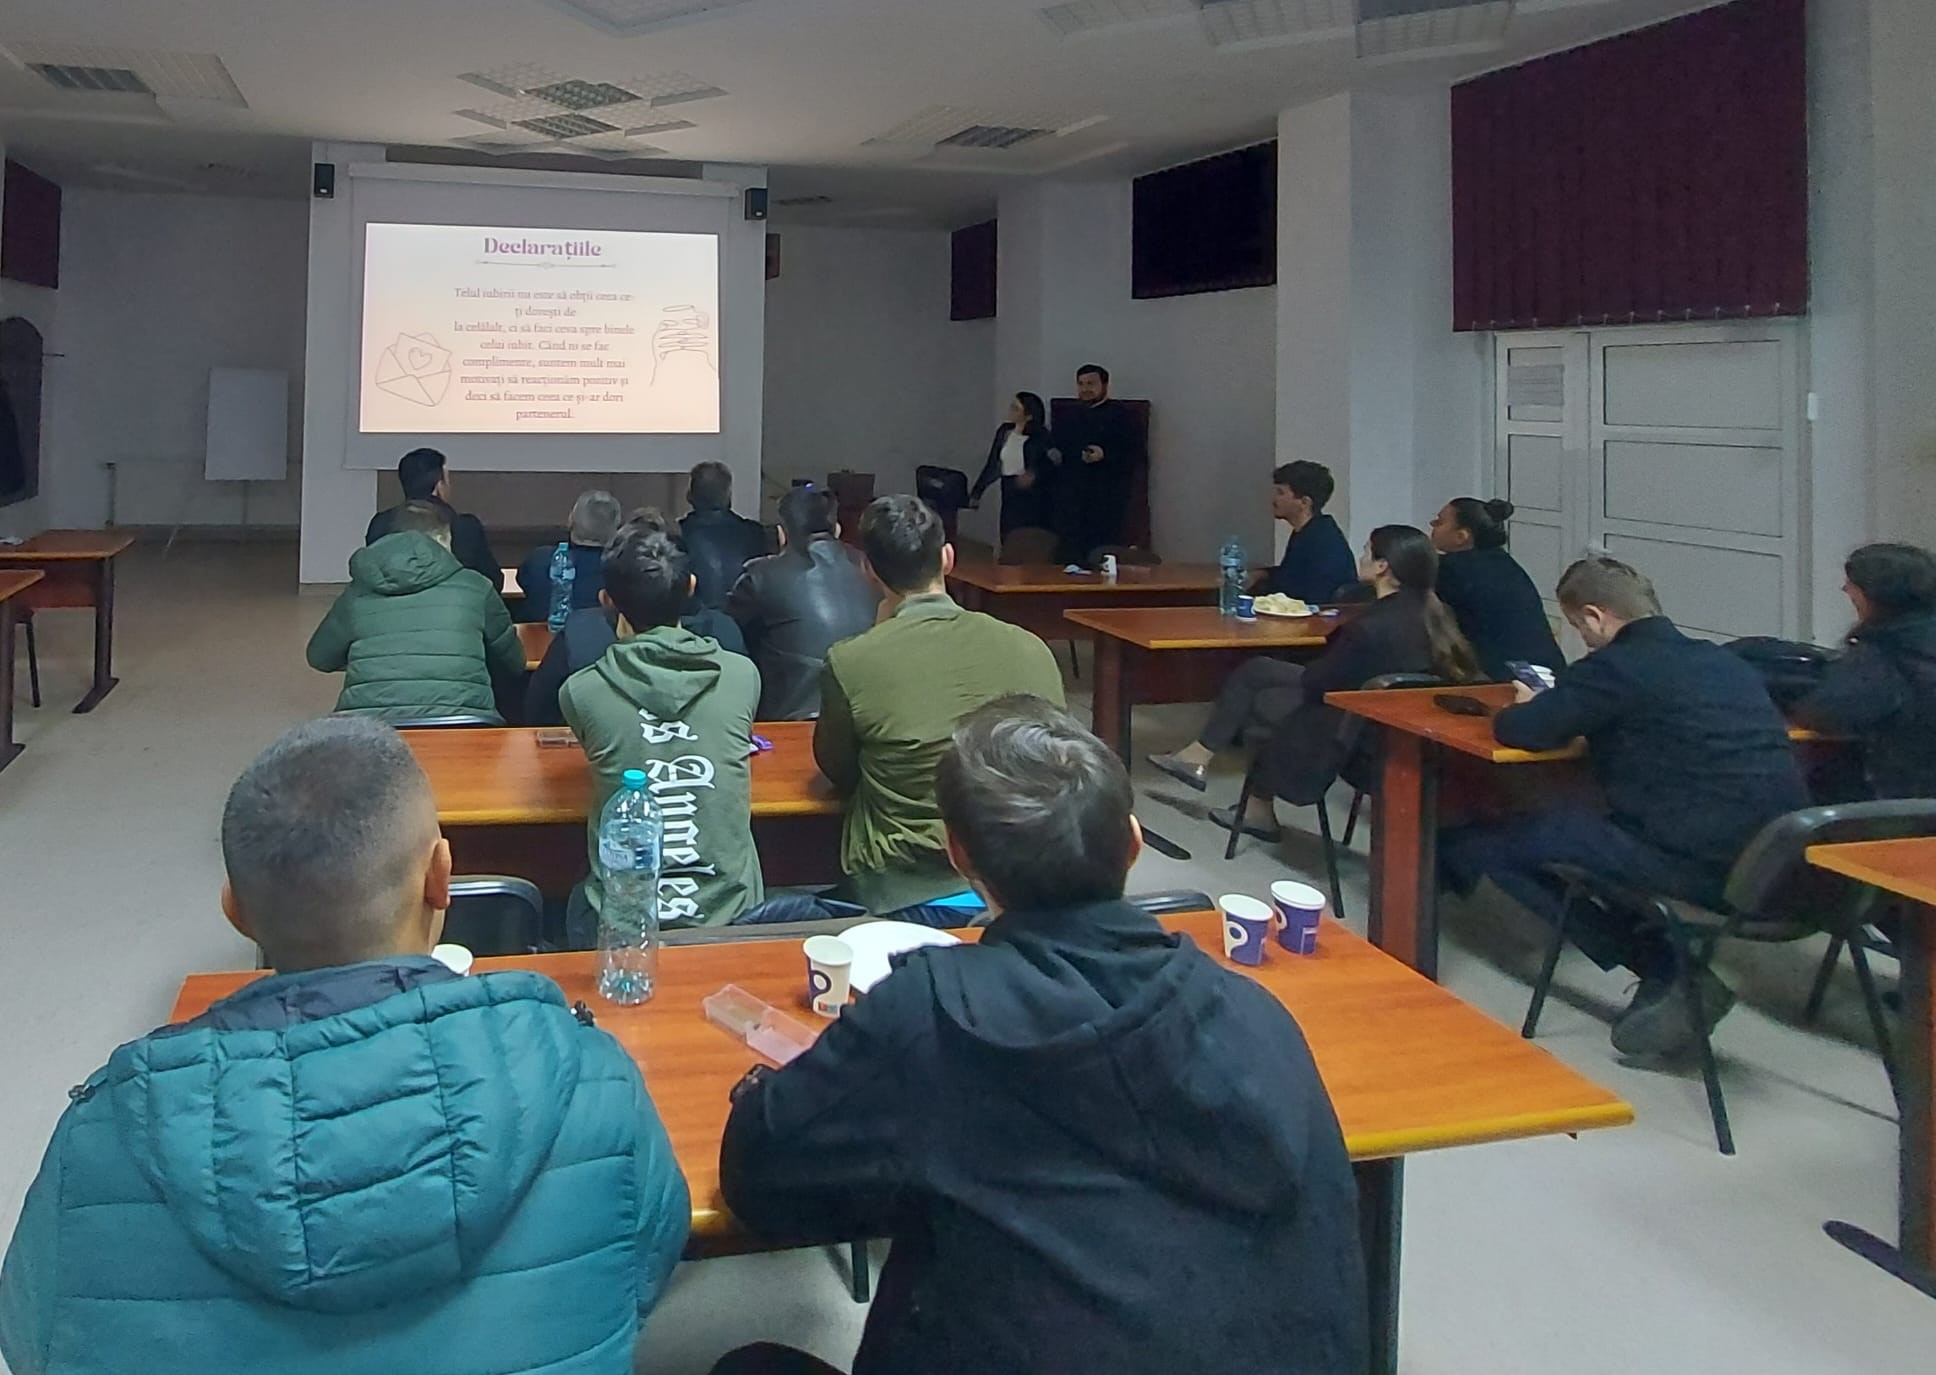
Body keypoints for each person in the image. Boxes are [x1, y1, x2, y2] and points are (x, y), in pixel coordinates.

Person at [0, 717, 689, 1375]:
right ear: (441, 876)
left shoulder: (99, 1139)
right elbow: (640, 1275)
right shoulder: (592, 1080)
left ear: (236, 912)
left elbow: (34, 1341)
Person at [713, 698, 1367, 1375]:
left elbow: (757, 1179)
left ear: (958, 855)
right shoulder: (1260, 1015)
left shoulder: (934, 1013)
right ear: (1134, 842)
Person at [1440, 557, 1810, 1058]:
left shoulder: (1614, 668)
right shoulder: (1723, 662)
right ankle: (1665, 963)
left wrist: (1525, 705)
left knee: (1491, 844)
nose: (1583, 639)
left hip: (1700, 865)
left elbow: (1521, 731)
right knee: (1579, 830)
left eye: (1579, 627)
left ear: (1595, 617)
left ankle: (1667, 968)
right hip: (1781, 864)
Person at [815, 495, 1066, 919]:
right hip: (1024, 883)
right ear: (947, 558)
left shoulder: (851, 660)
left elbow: (838, 769)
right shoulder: (1031, 646)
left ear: (868, 570)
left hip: (907, 891)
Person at [1150, 526, 1479, 836]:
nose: (1361, 557)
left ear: (1383, 567)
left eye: (1367, 552)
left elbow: (1321, 682)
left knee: (1262, 700)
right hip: (1388, 720)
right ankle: (1213, 769)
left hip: (1351, 723)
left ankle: (1244, 796)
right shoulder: (1435, 615)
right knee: (1259, 671)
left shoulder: (1370, 627)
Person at [561, 518, 763, 938]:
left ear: (606, 601)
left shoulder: (582, 692)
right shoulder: (743, 677)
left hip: (626, 926)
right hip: (732, 916)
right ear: (690, 587)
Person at [307, 499, 524, 723]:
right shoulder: (476, 586)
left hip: (370, 724)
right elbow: (515, 663)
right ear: (440, 539)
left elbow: (319, 657)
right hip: (464, 721)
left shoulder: (357, 594)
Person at [524, 508, 746, 727]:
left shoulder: (579, 636)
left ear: (605, 599)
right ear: (691, 585)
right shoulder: (727, 637)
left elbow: (536, 714)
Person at [1793, 541, 1936, 799]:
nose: (1845, 589)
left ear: (1875, 595)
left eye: (1852, 584)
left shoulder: (1885, 655)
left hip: (1906, 804)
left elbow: (1825, 715)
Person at [726, 486, 879, 719]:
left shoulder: (761, 576)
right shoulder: (869, 567)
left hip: (789, 718)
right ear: (837, 529)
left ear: (781, 534)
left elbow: (728, 631)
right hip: (864, 714)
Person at [1428, 496, 1564, 680]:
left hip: (1505, 677)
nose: (1432, 524)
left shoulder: (1452, 569)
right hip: (1549, 669)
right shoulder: (1503, 561)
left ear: (1461, 537)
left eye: (1439, 521)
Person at [365, 447, 503, 590]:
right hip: (452, 604)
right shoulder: (464, 528)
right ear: (438, 486)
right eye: (447, 480)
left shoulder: (380, 525)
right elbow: (492, 582)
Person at [1051, 364, 1142, 563]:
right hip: (1071, 500)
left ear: (1105, 385)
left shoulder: (1121, 416)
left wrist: (1104, 454)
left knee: (1100, 554)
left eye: (1090, 384)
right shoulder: (1069, 416)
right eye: (1081, 384)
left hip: (1104, 499)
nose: (1085, 389)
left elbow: (1133, 453)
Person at [511, 489, 623, 624]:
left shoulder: (539, 560)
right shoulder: (622, 570)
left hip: (539, 635)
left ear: (571, 521)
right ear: (617, 529)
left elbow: (522, 580)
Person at [1259, 461, 1357, 604]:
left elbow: (1306, 593)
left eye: (1281, 493)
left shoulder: (1323, 542)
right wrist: (1262, 574)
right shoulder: (1311, 532)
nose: (1274, 499)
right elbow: (1291, 575)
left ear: (1304, 502)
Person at [680, 460, 768, 612]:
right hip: (745, 623)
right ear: (729, 496)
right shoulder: (756, 534)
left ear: (690, 496)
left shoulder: (676, 536)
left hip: (695, 623)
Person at [969, 391, 1055, 539]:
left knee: (1029, 536)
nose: (1010, 411)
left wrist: (1034, 474)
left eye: (1016, 408)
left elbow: (1050, 464)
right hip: (1009, 488)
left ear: (1028, 415)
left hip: (1033, 493)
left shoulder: (1041, 436)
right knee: (1008, 532)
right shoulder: (1005, 432)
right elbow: (993, 463)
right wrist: (978, 491)